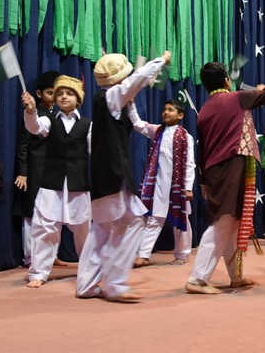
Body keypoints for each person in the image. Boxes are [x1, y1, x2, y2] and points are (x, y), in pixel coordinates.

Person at [76, 51, 171, 303]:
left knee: (102, 228)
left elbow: (137, 123)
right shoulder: (111, 96)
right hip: (113, 172)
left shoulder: (111, 101)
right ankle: (116, 283)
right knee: (132, 222)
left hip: (105, 173)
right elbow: (136, 80)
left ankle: (86, 285)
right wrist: (161, 60)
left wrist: (158, 131)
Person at [185, 62, 265, 294]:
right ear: (226, 81)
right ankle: (197, 279)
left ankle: (236, 276)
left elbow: (202, 150)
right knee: (223, 222)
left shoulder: (204, 110)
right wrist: (261, 90)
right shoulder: (236, 98)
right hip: (231, 168)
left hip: (214, 171)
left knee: (231, 223)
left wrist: (202, 181)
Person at [21, 75, 91, 288]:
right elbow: (34, 127)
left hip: (78, 185)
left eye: (69, 93)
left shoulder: (87, 125)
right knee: (45, 227)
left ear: (78, 99)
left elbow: (97, 152)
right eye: (59, 93)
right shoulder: (49, 121)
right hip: (52, 183)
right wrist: (31, 110)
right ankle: (38, 272)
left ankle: (89, 270)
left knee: (83, 229)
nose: (63, 97)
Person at [12, 71, 73, 267]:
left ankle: (51, 255)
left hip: (54, 170)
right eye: (50, 92)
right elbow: (23, 145)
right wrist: (23, 172)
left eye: (58, 93)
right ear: (39, 94)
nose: (55, 97)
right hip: (35, 170)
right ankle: (31, 257)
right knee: (32, 213)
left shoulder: (59, 114)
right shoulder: (33, 113)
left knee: (54, 213)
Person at [131, 99, 195, 268]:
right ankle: (144, 255)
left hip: (178, 186)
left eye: (171, 110)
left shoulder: (186, 137)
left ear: (180, 115)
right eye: (165, 109)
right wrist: (131, 105)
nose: (166, 112)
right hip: (159, 185)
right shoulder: (157, 131)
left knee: (181, 220)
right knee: (154, 218)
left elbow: (190, 164)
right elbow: (138, 125)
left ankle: (182, 254)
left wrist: (188, 187)